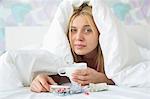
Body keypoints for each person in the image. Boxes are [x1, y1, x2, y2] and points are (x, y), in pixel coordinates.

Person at [30, 3, 114, 93]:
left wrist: (103, 79)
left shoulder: (112, 58)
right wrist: (38, 80)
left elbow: (124, 77)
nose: (78, 37)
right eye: (73, 30)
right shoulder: (65, 57)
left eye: (87, 30)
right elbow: (53, 75)